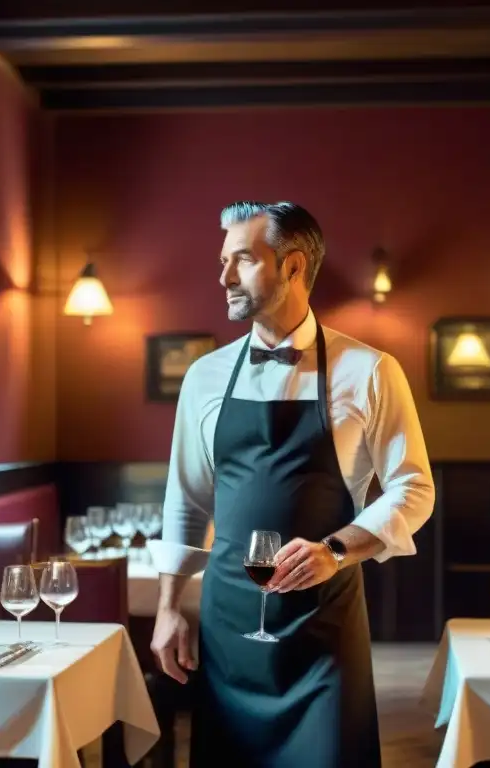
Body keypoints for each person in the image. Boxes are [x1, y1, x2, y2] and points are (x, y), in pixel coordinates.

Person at [150, 200, 435, 767]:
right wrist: (169, 606)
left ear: (293, 266)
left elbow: (413, 487)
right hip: (229, 626)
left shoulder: (372, 371)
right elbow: (187, 498)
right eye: (222, 261)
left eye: (242, 261)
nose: (224, 277)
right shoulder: (204, 377)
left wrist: (336, 550)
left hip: (322, 628)